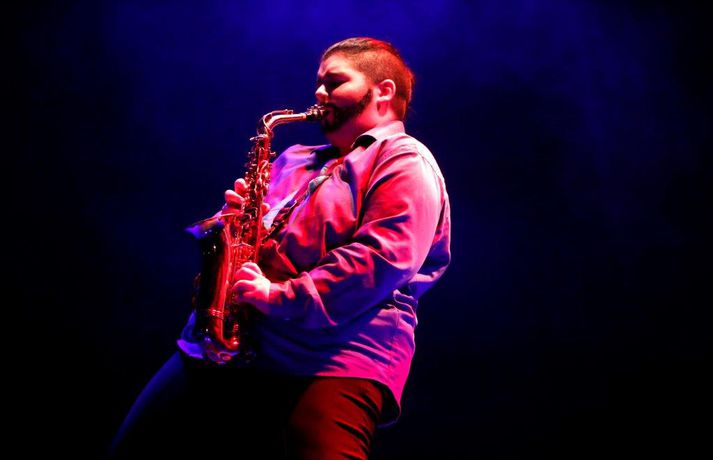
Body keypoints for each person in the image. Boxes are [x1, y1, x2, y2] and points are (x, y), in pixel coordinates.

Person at [108, 37, 451, 460]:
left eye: (335, 82)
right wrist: (233, 222)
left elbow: (380, 259)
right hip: (232, 349)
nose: (320, 93)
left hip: (330, 361)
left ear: (383, 91)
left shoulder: (404, 158)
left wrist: (279, 297)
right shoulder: (295, 158)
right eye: (319, 83)